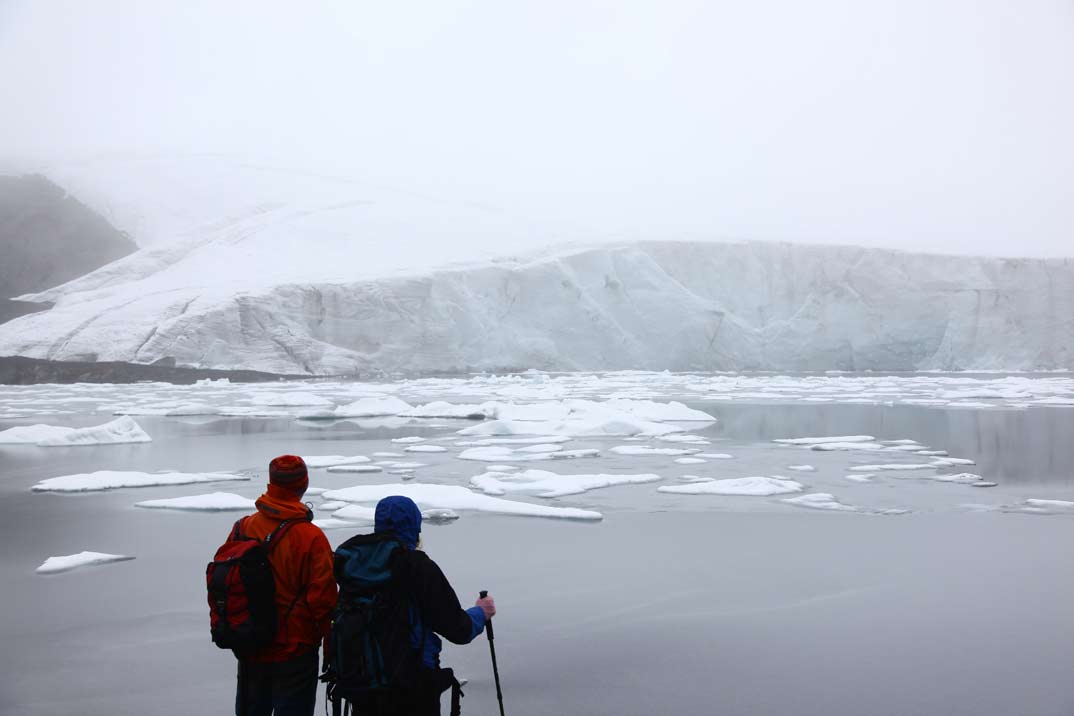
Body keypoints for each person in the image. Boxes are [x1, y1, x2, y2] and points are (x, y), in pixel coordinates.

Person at [331, 495, 497, 715]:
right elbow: (458, 629)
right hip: (412, 683)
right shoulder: (417, 566)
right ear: (414, 526)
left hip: (363, 682)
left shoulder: (354, 563)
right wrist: (480, 613)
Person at [232, 455, 338, 716]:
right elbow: (322, 600)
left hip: (251, 644)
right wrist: (331, 646)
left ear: (271, 483)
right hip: (295, 650)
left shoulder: (243, 527)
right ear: (303, 485)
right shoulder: (311, 537)